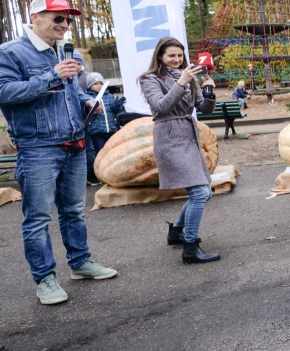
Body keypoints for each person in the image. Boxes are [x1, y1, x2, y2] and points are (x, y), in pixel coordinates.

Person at [0, 0, 118, 305]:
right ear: (36, 17)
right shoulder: (9, 53)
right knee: (38, 218)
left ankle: (80, 263)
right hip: (38, 149)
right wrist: (50, 76)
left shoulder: (65, 53)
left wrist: (85, 101)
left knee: (73, 211)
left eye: (68, 20)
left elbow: (69, 92)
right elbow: (0, 92)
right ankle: (45, 278)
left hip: (73, 144)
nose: (64, 25)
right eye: (57, 18)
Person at [139, 37, 221, 263]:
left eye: (179, 55)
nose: (177, 59)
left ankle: (176, 231)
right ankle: (191, 247)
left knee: (205, 192)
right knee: (200, 193)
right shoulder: (149, 79)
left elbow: (203, 109)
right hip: (169, 137)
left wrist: (209, 93)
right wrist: (181, 82)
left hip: (189, 136)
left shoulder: (189, 78)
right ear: (160, 57)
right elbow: (161, 107)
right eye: (171, 56)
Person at [83, 72, 126, 186]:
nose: (99, 86)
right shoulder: (88, 99)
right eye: (95, 84)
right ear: (89, 85)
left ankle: (115, 173)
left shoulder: (109, 96)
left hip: (111, 129)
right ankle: (102, 175)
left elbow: (116, 111)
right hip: (96, 131)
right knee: (100, 154)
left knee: (113, 152)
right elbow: (86, 114)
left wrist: (118, 105)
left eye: (101, 83)